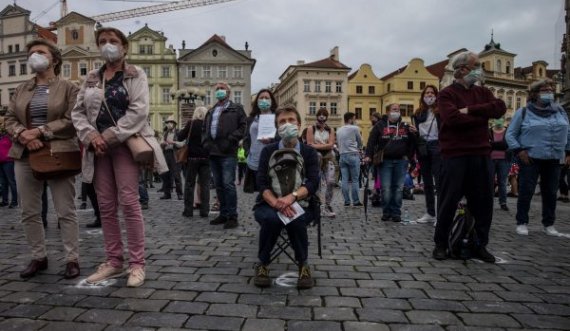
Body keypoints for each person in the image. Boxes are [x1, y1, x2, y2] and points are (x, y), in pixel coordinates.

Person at [72, 27, 167, 287]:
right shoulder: (92, 76)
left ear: (124, 47)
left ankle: (137, 264)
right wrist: (91, 136)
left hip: (124, 145)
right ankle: (114, 261)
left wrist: (110, 136)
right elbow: (77, 112)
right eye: (102, 41)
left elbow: (139, 111)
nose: (107, 45)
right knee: (105, 205)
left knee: (129, 202)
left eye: (113, 41)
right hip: (98, 149)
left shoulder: (136, 74)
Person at [4, 39, 81, 279]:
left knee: (65, 210)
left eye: (39, 52)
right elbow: (8, 118)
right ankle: (38, 256)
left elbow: (71, 120)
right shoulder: (21, 88)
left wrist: (40, 132)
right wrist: (23, 136)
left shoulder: (69, 87)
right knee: (29, 210)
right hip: (25, 153)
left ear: (54, 59)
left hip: (58, 152)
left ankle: (72, 258)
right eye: (31, 53)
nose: (34, 56)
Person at [434, 50, 506, 263]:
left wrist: (469, 110)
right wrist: (481, 114)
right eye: (476, 66)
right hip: (455, 155)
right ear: (463, 69)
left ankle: (479, 244)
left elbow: (499, 108)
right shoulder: (446, 93)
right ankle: (440, 243)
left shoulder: (482, 92)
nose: (479, 70)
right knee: (448, 201)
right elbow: (452, 119)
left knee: (483, 203)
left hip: (481, 153)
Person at [253, 105, 319, 289]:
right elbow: (262, 183)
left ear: (299, 124)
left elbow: (313, 182)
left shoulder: (309, 152)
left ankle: (303, 265)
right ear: (276, 126)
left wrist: (291, 198)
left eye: (291, 120)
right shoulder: (268, 151)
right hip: (269, 203)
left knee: (296, 219)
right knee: (271, 219)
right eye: (282, 121)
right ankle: (263, 264)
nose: (287, 124)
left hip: (302, 202)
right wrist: (277, 203)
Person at [505, 79, 570, 236]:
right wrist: (519, 151)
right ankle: (522, 222)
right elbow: (510, 134)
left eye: (550, 89)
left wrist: (568, 151)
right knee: (526, 190)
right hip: (531, 157)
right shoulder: (524, 112)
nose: (549, 92)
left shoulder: (560, 110)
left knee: (550, 191)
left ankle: (549, 224)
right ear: (534, 94)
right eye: (544, 90)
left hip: (554, 157)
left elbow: (568, 132)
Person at [202, 82, 247, 229]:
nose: (219, 91)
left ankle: (232, 216)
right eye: (217, 89)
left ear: (229, 92)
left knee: (228, 184)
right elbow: (204, 129)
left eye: (222, 89)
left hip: (228, 152)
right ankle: (223, 213)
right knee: (219, 185)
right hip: (213, 152)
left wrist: (231, 139)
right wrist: (206, 143)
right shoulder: (211, 110)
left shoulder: (236, 108)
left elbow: (243, 127)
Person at [365, 104, 417, 222]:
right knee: (386, 188)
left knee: (398, 188)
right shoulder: (380, 125)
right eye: (394, 110)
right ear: (388, 112)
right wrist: (368, 155)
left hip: (401, 161)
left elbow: (412, 143)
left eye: (398, 110)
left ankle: (396, 212)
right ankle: (386, 211)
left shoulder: (405, 126)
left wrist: (414, 135)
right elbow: (371, 141)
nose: (397, 112)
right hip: (385, 161)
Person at [412, 85, 441, 224]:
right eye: (427, 93)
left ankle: (440, 214)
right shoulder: (418, 113)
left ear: (436, 95)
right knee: (427, 182)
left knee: (439, 181)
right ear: (423, 96)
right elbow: (418, 132)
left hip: (437, 145)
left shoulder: (441, 111)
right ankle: (430, 212)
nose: (429, 95)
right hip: (423, 146)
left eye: (432, 93)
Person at [243, 89, 278, 192]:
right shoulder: (251, 119)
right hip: (254, 161)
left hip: (272, 160)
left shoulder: (277, 117)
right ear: (257, 101)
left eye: (267, 98)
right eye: (261, 98)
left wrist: (272, 140)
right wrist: (247, 152)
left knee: (272, 190)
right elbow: (246, 138)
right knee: (260, 190)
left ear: (271, 101)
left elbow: (282, 136)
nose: (264, 100)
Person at [179, 106, 210, 218]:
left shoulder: (191, 124)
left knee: (189, 184)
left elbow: (180, 136)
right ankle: (204, 211)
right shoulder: (208, 125)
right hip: (206, 158)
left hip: (192, 158)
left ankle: (188, 211)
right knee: (205, 185)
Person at [307, 108, 336, 217]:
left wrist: (318, 145)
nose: (322, 117)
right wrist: (325, 145)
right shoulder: (311, 128)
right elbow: (309, 144)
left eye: (324, 115)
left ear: (327, 117)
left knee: (330, 181)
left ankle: (328, 205)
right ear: (317, 116)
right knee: (317, 181)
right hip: (315, 158)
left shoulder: (330, 130)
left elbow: (331, 144)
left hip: (328, 157)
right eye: (320, 114)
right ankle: (317, 206)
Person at [336, 112, 363, 207]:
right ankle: (356, 201)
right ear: (351, 119)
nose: (355, 121)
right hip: (353, 154)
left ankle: (346, 201)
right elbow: (360, 141)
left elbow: (338, 143)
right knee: (355, 180)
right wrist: (360, 148)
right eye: (354, 119)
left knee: (344, 180)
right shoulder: (355, 128)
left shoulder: (338, 130)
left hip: (342, 155)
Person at [160, 116, 184, 200]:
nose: (168, 124)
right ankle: (167, 193)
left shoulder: (178, 132)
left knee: (176, 175)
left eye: (170, 122)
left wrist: (173, 142)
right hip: (166, 154)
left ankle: (180, 194)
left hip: (175, 154)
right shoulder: (165, 133)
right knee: (166, 175)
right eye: (167, 122)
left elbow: (182, 144)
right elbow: (161, 142)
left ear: (174, 124)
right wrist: (162, 144)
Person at [489, 117, 510, 211]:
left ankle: (503, 202)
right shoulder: (489, 131)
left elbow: (507, 145)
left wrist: (493, 144)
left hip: (504, 160)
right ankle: (488, 201)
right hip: (491, 160)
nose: (499, 121)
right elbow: (488, 145)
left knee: (502, 182)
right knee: (490, 182)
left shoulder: (507, 131)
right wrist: (500, 144)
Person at [0, 117, 18, 208]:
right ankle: (4, 200)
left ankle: (14, 201)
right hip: (0, 162)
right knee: (3, 183)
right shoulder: (1, 136)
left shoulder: (9, 136)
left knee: (11, 181)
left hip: (8, 161)